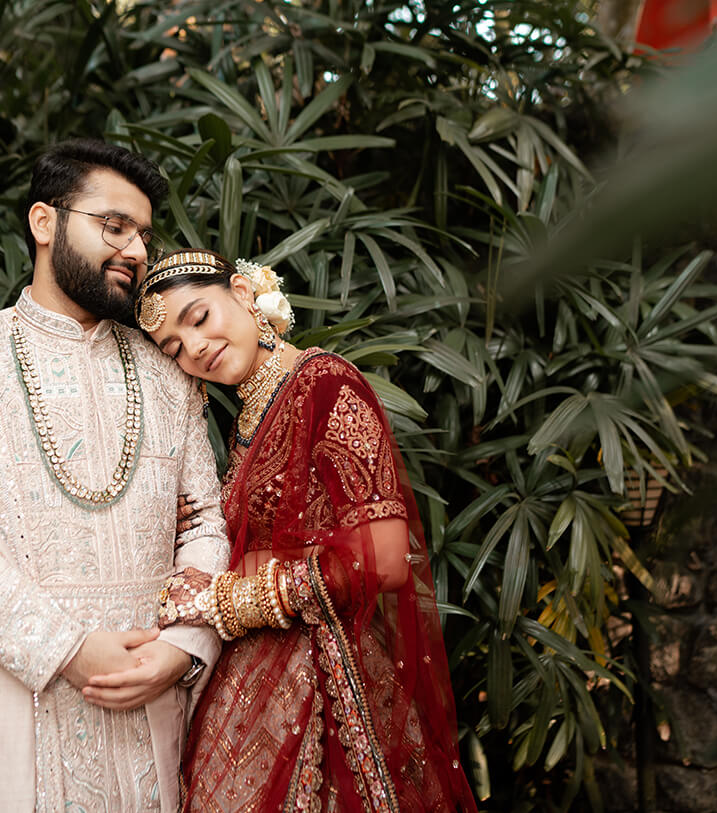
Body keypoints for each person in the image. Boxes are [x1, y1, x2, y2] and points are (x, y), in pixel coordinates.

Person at [0, 140, 229, 813]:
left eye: (143, 234)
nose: (136, 249)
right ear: (44, 222)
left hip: (152, 700)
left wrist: (185, 649)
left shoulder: (171, 372)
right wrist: (69, 648)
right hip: (14, 699)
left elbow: (206, 523)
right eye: (114, 226)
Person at [119, 248, 478, 811]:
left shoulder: (328, 384)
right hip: (252, 682)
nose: (195, 349)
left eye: (198, 319)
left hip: (327, 677)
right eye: (174, 348)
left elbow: (383, 557)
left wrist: (238, 600)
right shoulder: (245, 423)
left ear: (241, 292)